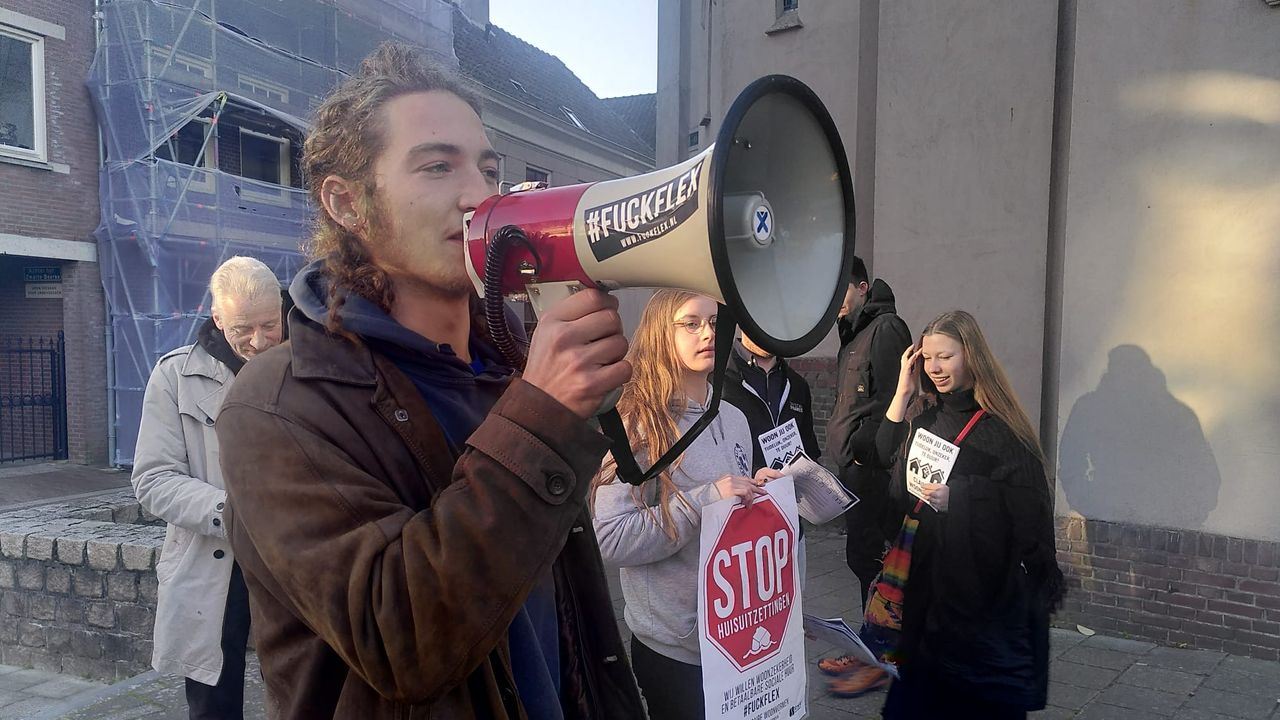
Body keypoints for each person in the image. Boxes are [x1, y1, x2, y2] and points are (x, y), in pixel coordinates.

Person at [213, 43, 644, 719]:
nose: (480, 195)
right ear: (348, 203)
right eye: (438, 166)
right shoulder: (277, 405)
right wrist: (544, 413)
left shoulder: (507, 361)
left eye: (488, 168)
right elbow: (401, 639)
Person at [591, 290, 781, 720]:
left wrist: (758, 491)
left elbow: (728, 509)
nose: (708, 334)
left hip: (739, 635)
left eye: (714, 323)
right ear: (661, 331)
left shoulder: (735, 418)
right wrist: (705, 499)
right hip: (675, 649)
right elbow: (610, 540)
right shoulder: (635, 422)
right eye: (691, 323)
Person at [877, 310, 1062, 719]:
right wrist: (901, 396)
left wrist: (960, 499)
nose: (935, 368)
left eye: (946, 356)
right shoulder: (923, 418)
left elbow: (1029, 523)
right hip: (924, 605)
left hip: (979, 614)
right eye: (927, 358)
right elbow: (888, 492)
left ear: (971, 356)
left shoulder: (1003, 431)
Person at [132, 255, 283, 719]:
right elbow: (153, 479)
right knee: (213, 703)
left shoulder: (310, 365)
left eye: (270, 325)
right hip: (215, 561)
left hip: (294, 555)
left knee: (305, 688)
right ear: (217, 318)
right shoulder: (174, 376)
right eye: (242, 328)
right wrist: (233, 514)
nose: (258, 342)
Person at [818, 256, 911, 680]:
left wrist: (861, 450)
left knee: (871, 560)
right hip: (856, 471)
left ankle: (878, 656)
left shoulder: (887, 329)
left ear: (863, 285)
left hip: (874, 471)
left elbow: (897, 399)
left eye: (842, 289)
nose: (835, 299)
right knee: (865, 560)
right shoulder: (853, 332)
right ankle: (878, 651)